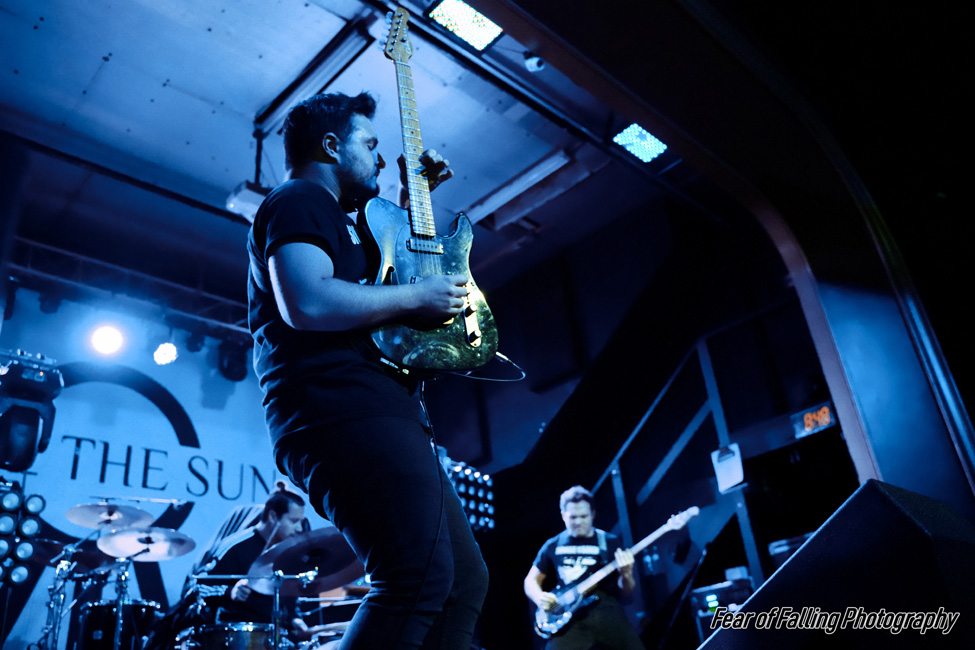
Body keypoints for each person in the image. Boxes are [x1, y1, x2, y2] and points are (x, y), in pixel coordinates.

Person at [247, 91, 489, 649]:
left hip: (379, 409)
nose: (381, 157)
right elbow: (309, 301)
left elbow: (383, 290)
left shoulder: (346, 221)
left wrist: (412, 198)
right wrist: (418, 295)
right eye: (371, 144)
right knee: (414, 576)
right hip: (340, 410)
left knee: (462, 582)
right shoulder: (299, 198)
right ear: (332, 146)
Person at [143, 484, 315, 650]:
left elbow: (289, 597)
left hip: (276, 636)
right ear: (273, 516)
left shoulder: (287, 552)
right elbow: (197, 586)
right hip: (237, 637)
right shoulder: (237, 546)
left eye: (301, 521)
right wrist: (230, 592)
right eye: (294, 521)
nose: (300, 528)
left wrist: (295, 618)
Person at [524, 486, 645, 650]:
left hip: (606, 613)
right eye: (573, 517)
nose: (578, 522)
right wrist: (539, 597)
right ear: (563, 515)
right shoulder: (553, 545)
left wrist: (627, 574)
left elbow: (627, 594)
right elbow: (530, 580)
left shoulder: (609, 542)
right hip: (570, 619)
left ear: (593, 514)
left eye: (583, 516)